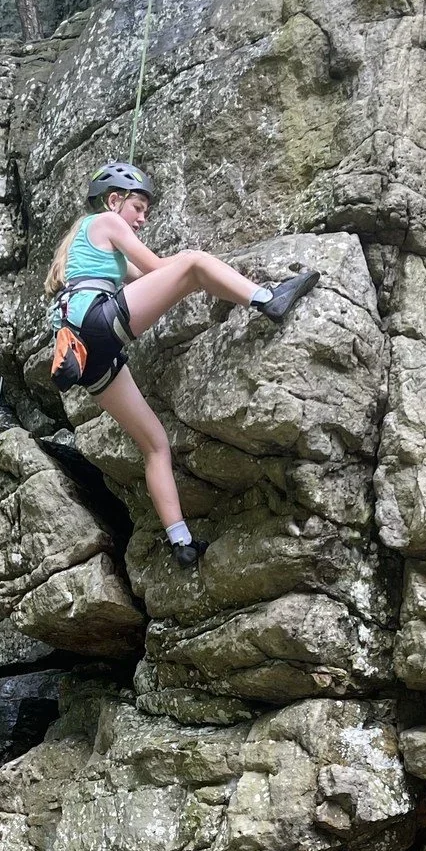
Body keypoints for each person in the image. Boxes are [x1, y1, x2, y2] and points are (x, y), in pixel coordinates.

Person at [44, 161, 319, 568]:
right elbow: (166, 268)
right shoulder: (105, 220)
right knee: (193, 261)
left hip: (87, 355)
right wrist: (202, 265)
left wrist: (209, 269)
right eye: (137, 207)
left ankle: (181, 543)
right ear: (114, 200)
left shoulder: (99, 247)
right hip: (97, 322)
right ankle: (267, 298)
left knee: (155, 443)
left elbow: (154, 274)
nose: (142, 218)